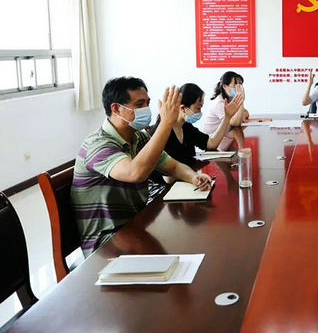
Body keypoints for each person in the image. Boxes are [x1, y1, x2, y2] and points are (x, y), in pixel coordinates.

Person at [71, 77, 212, 255]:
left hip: (135, 224)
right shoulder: (98, 143)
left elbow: (173, 167)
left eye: (147, 103)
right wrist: (166, 123)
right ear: (116, 108)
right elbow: (135, 173)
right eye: (139, 104)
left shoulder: (139, 137)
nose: (146, 109)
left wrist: (194, 177)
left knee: (195, 241)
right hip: (106, 242)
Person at [150, 83, 244, 165]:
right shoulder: (161, 132)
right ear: (183, 108)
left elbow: (211, 144)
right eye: (198, 108)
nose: (200, 112)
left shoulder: (186, 127)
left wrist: (227, 117)